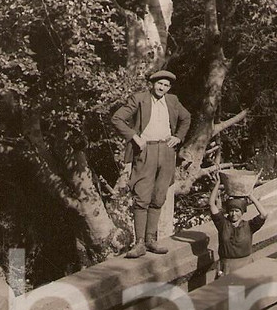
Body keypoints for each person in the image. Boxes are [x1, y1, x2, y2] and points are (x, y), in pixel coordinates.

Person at [111, 69, 191, 258]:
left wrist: (178, 137)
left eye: (166, 85)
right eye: (159, 83)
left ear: (169, 87)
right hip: (145, 151)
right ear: (153, 84)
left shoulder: (173, 101)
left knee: (159, 195)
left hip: (166, 151)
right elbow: (117, 118)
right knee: (142, 195)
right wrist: (133, 137)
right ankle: (139, 244)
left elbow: (186, 118)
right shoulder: (139, 99)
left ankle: (151, 240)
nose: (162, 87)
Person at [208, 174, 268, 277]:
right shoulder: (222, 224)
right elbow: (211, 204)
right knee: (226, 292)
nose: (234, 214)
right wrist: (218, 184)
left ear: (242, 212)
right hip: (226, 267)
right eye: (231, 211)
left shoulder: (249, 226)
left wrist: (250, 195)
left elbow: (264, 214)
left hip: (245, 266)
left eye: (237, 211)